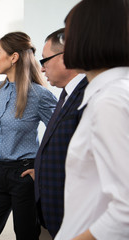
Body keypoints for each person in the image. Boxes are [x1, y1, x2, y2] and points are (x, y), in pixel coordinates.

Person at [54, 0, 129, 239]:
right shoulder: (112, 93)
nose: (65, 45)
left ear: (89, 35)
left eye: (66, 36)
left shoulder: (110, 101)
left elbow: (125, 210)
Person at [0, 32, 57, 240]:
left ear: (14, 57)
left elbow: (59, 133)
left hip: (23, 175)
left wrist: (41, 167)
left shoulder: (38, 95)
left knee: (26, 236)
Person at [34, 28, 88, 238]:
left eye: (45, 59)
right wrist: (40, 168)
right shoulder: (66, 95)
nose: (42, 67)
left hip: (75, 216)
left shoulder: (88, 96)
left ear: (65, 58)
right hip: (53, 210)